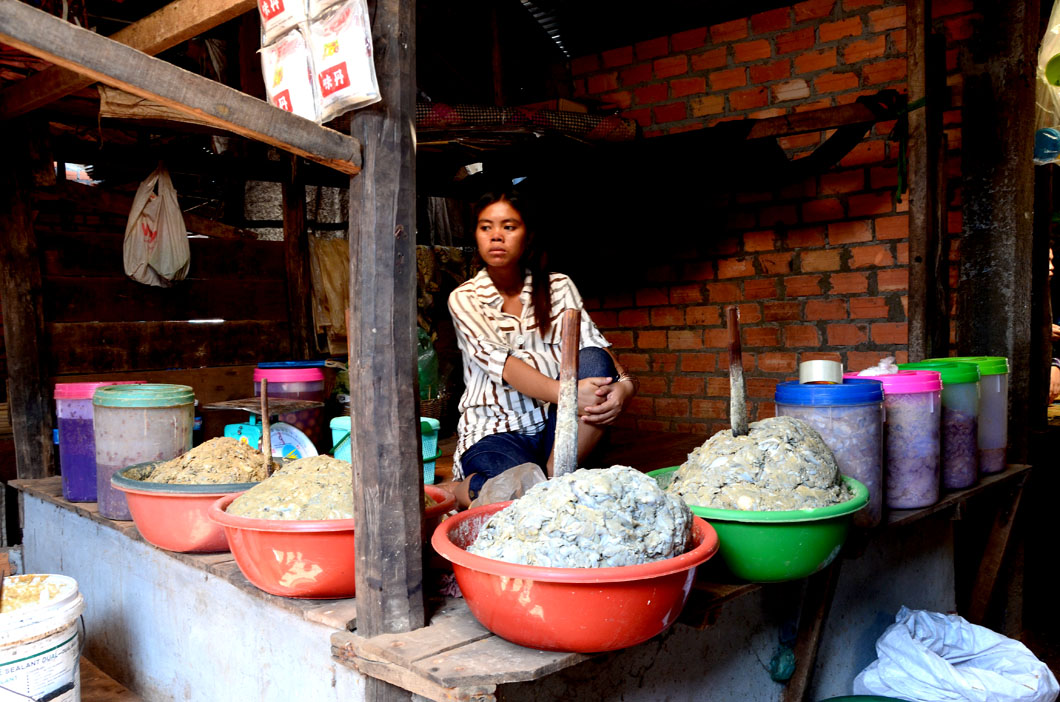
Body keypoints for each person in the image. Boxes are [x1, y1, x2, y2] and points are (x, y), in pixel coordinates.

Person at [439, 189, 638, 508]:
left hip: (558, 432)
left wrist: (626, 389)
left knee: (593, 359)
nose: (496, 236)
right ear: (476, 235)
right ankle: (463, 489)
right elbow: (503, 365)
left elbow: (595, 349)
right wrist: (569, 394)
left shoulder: (558, 285)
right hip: (497, 431)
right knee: (517, 498)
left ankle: (553, 475)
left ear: (527, 234)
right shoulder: (465, 298)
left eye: (509, 226)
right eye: (486, 226)